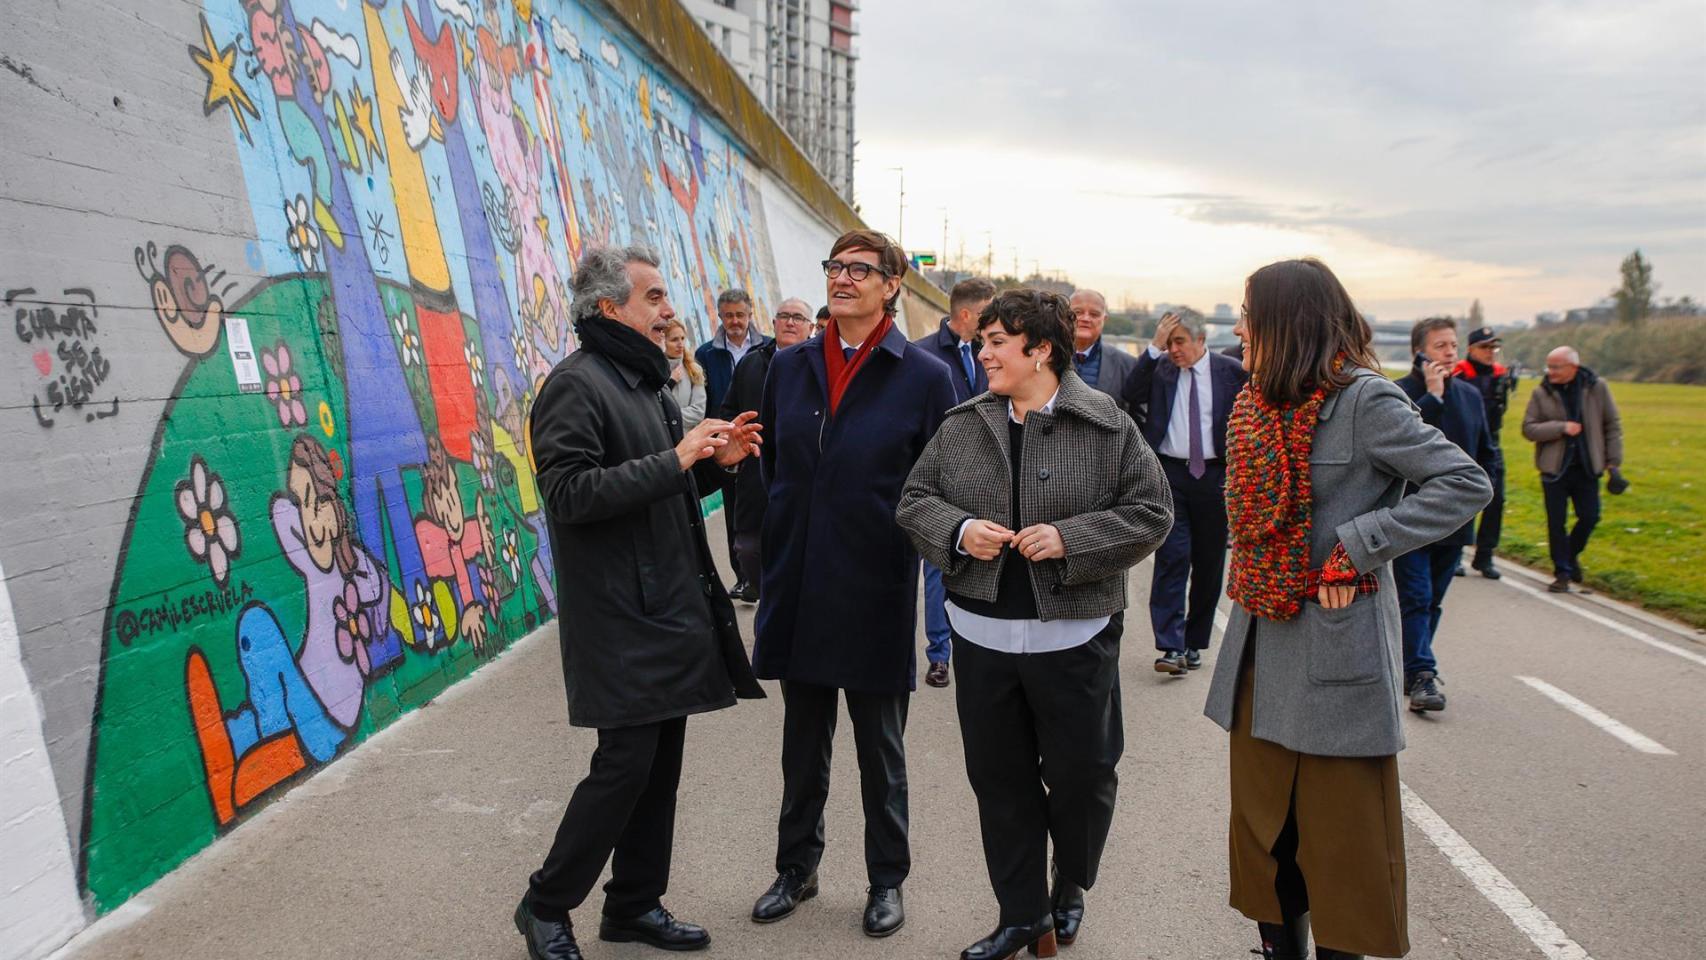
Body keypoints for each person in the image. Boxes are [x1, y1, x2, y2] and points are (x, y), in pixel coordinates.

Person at [1202, 258, 1490, 960]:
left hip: (1334, 642)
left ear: (1287, 323)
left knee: (1342, 839)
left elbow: (1463, 481)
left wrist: (1358, 547)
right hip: (1264, 634)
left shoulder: (1367, 401)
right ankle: (1279, 947)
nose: (1240, 329)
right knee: (1267, 832)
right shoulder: (1257, 401)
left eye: (1251, 314)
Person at [897, 289, 1172, 960]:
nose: (982, 352)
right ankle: (1020, 916)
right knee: (1000, 782)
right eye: (981, 341)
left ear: (1040, 348)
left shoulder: (1108, 423)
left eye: (996, 341)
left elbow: (1152, 512)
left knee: (1084, 777)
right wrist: (959, 531)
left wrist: (1072, 538)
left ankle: (1069, 884)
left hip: (1075, 637)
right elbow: (913, 501)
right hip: (983, 636)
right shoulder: (963, 424)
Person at [519, 245, 767, 960]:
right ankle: (545, 904)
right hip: (620, 616)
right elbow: (569, 496)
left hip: (667, 608)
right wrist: (679, 458)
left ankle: (633, 904)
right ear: (609, 309)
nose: (669, 309)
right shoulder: (575, 386)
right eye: (654, 296)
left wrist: (711, 468)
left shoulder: (645, 383)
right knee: (624, 765)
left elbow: (662, 492)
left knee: (659, 766)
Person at [750, 230, 956, 938]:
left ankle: (886, 881)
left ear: (891, 284)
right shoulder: (792, 366)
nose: (842, 279)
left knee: (881, 751)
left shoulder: (925, 377)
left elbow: (943, 481)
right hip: (801, 584)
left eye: (859, 270)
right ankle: (796, 869)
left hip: (875, 587)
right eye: (835, 267)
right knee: (801, 744)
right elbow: (776, 463)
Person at [1122, 311, 1249, 675]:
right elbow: (1130, 393)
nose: (1173, 350)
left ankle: (1195, 643)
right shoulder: (1160, 368)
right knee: (1172, 557)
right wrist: (1153, 347)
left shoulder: (1232, 372)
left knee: (1209, 564)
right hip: (1171, 474)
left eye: (1179, 342)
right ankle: (1170, 646)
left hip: (1215, 475)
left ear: (1200, 340)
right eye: (1168, 342)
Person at [1391, 318, 1495, 713]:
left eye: (1453, 346)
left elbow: (1487, 452)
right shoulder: (1399, 393)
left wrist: (1485, 494)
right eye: (1440, 346)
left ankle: (1410, 665)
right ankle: (1422, 673)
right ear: (1419, 351)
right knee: (1415, 596)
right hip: (1411, 517)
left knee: (1432, 600)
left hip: (1455, 520)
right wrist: (1432, 398)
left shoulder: (1469, 396)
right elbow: (1403, 447)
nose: (1450, 353)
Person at [911, 276, 998, 687]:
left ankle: (977, 647)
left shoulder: (994, 352)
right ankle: (939, 653)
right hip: (939, 474)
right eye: (987, 314)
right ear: (967, 314)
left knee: (984, 558)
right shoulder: (922, 355)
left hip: (987, 475)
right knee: (937, 565)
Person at [717, 298, 814, 602]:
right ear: (772, 323)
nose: (789, 322)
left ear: (810, 328)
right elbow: (728, 411)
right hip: (755, 478)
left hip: (804, 481)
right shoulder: (751, 363)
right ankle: (767, 598)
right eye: (783, 316)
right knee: (749, 549)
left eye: (797, 317)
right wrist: (733, 441)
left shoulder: (820, 366)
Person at [1522, 346, 1623, 594]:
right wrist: (1561, 427)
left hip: (1588, 468)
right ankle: (1562, 573)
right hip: (1554, 469)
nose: (1550, 372)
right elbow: (1529, 429)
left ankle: (1570, 554)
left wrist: (1614, 463)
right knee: (1556, 523)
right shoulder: (1541, 392)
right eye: (1549, 366)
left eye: (1556, 367)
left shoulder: (1597, 388)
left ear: (1573, 368)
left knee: (1590, 517)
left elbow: (1612, 425)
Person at [696, 288, 772, 576]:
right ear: (720, 316)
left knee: (759, 507)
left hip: (757, 437)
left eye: (740, 314)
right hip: (725, 441)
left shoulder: (766, 348)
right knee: (732, 509)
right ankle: (740, 574)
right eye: (729, 315)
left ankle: (759, 568)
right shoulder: (706, 353)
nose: (735, 321)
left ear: (750, 315)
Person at [1454, 327, 1517, 579]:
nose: (1491, 353)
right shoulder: (1459, 374)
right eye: (1485, 347)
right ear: (1471, 350)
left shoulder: (1501, 376)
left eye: (1494, 348)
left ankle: (1485, 555)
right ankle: (1457, 551)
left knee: (1496, 500)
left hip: (1491, 443)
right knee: (1462, 499)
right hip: (1464, 444)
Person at [1068, 290, 1138, 410]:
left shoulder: (1127, 365)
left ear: (1104, 319)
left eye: (1094, 314)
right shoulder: (1044, 358)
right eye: (1078, 312)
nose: (1085, 318)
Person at [663, 318, 707, 431]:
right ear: (662, 341)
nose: (680, 344)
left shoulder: (694, 370)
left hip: (690, 440)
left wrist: (666, 418)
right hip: (664, 442)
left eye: (682, 338)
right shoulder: (654, 371)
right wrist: (670, 382)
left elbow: (698, 412)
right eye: (674, 340)